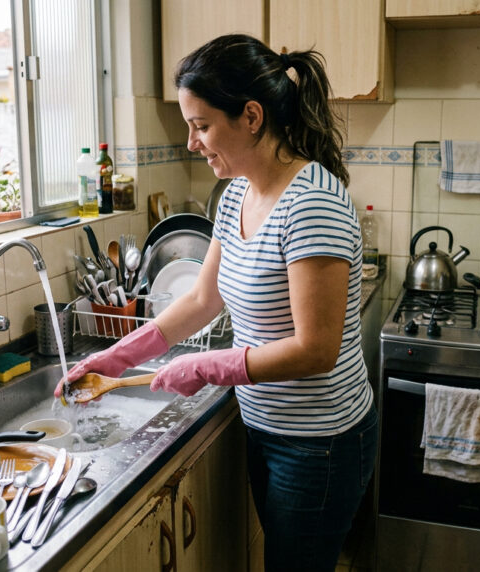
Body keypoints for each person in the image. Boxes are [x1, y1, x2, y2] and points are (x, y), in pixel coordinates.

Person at [56, 33, 376, 571]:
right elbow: (204, 299)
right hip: (266, 424)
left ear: (251, 116)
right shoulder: (236, 195)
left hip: (321, 442)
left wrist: (209, 365)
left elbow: (316, 350)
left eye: (201, 125)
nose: (191, 142)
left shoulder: (312, 202)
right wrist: (115, 357)